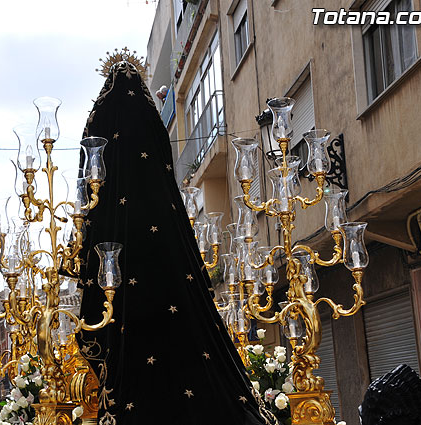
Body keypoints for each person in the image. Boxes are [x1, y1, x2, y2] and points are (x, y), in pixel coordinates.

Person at [77, 60, 276, 425]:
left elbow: (89, 188)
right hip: (169, 253)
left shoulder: (99, 119)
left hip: (116, 258)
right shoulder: (152, 124)